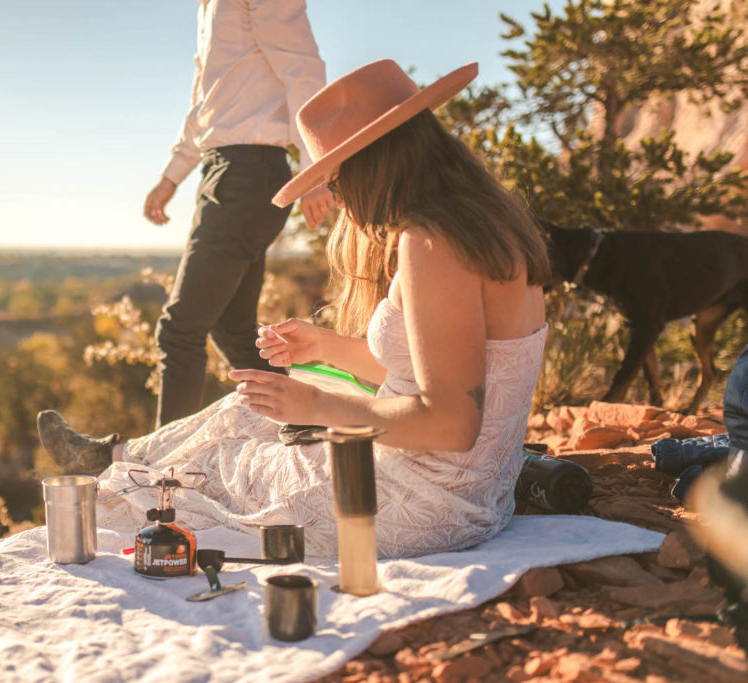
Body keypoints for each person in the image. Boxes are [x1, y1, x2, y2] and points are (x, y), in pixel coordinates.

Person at [40, 58, 551, 558]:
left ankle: (106, 475)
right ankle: (109, 456)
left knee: (214, 466)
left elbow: (449, 424)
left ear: (374, 160)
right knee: (247, 407)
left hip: (417, 502)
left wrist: (317, 407)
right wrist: (325, 348)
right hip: (464, 493)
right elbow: (441, 370)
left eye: (335, 173)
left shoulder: (432, 244)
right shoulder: (481, 225)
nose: (337, 194)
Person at [143, 0, 332, 428]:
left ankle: (162, 469)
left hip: (250, 172)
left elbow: (303, 70)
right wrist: (172, 177)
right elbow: (206, 105)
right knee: (231, 327)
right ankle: (304, 428)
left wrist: (313, 169)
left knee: (180, 331)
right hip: (222, 170)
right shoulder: (208, 8)